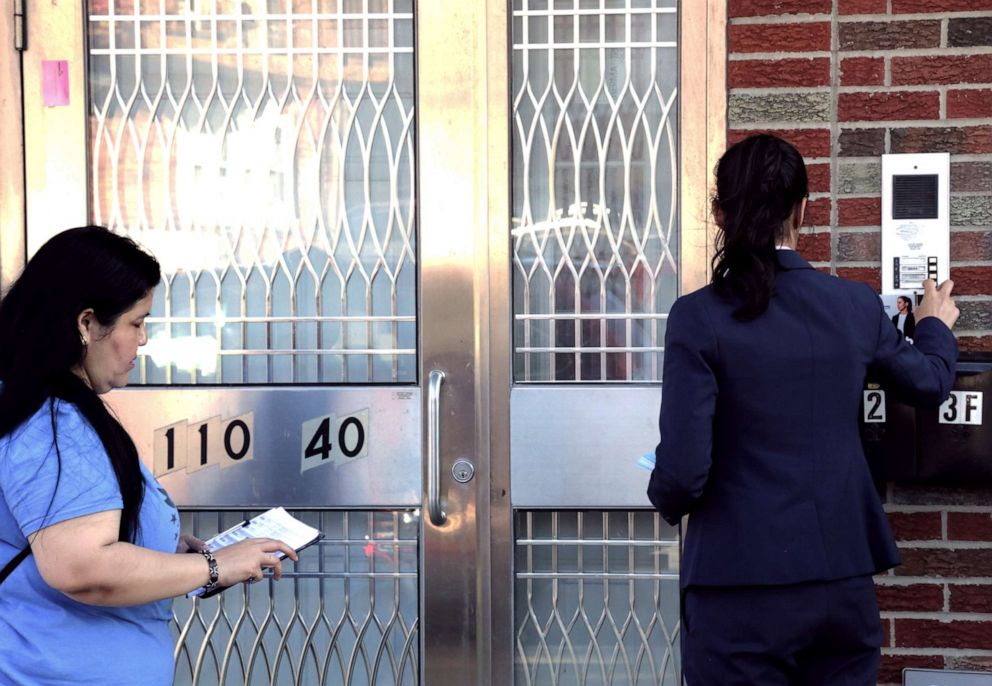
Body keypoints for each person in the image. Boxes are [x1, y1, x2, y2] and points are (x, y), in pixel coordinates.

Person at [647, 135, 959, 685]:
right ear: (803, 211)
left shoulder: (698, 318)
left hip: (736, 590)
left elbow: (682, 473)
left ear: (719, 214)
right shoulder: (854, 306)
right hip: (841, 587)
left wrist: (664, 495)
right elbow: (930, 382)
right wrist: (933, 322)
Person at [0, 226, 297, 685]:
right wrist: (217, 564)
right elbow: (82, 567)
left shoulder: (47, 409)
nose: (142, 340)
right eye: (136, 323)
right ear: (86, 324)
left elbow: (64, 532)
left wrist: (165, 546)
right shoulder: (55, 424)